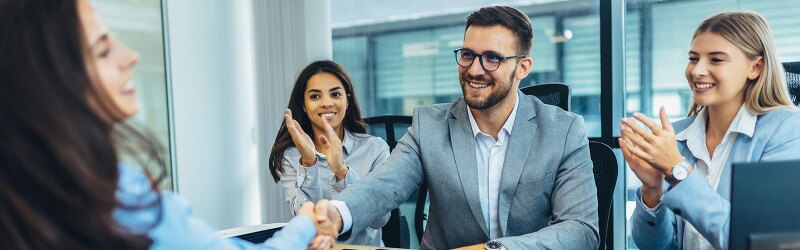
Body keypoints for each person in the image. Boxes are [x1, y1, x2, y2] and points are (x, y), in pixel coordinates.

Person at [0, 0, 335, 249]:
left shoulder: (27, 193)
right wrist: (306, 219)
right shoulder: (111, 196)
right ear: (49, 82)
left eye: (334, 94)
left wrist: (337, 176)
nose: (130, 56)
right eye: (102, 51)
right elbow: (300, 209)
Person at [314, 6, 600, 249]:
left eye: (492, 58)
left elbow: (581, 229)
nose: (475, 69)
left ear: (522, 67)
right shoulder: (429, 127)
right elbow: (382, 186)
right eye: (467, 55)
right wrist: (336, 213)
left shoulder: (564, 130)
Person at [621, 11, 800, 250]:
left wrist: (678, 171)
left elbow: (754, 242)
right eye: (694, 58)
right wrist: (652, 190)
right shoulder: (676, 136)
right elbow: (654, 246)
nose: (696, 71)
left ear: (756, 67)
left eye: (716, 60)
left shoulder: (786, 131)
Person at [268, 60, 391, 246]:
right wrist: (309, 165)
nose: (326, 103)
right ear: (303, 105)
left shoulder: (374, 149)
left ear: (347, 101)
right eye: (315, 97)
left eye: (335, 94)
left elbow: (380, 219)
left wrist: (342, 171)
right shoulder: (291, 156)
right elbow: (304, 218)